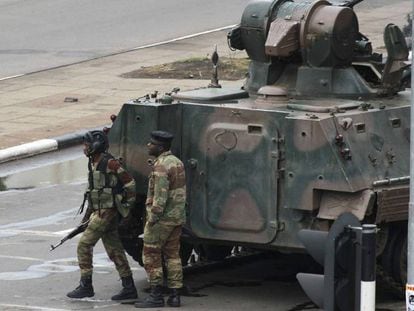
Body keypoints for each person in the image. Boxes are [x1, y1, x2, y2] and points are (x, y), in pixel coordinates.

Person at [67, 130, 138, 300]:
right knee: (115, 250)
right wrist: (87, 216)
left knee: (84, 245)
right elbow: (93, 191)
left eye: (87, 145)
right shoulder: (93, 162)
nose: (85, 148)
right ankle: (129, 287)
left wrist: (126, 209)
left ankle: (86, 285)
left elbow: (130, 183)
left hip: (107, 212)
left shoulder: (110, 163)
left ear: (96, 145)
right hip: (100, 211)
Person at [135, 130, 186, 308]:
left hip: (161, 219)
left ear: (161, 147)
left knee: (151, 254)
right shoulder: (177, 162)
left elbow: (160, 196)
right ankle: (175, 295)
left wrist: (152, 218)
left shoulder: (161, 166)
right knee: (173, 255)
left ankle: (156, 295)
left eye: (152, 143)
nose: (149, 145)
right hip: (176, 217)